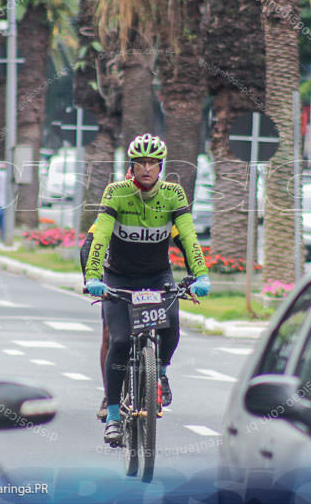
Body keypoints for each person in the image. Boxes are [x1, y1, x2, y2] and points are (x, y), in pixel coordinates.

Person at [84, 133, 210, 444]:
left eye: (153, 163)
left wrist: (201, 275)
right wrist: (93, 277)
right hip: (119, 278)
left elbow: (189, 236)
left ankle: (162, 372)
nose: (146, 169)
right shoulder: (116, 193)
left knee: (172, 326)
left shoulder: (173, 195)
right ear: (131, 165)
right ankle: (113, 415)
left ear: (161, 166)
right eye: (140, 163)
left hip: (157, 276)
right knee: (119, 342)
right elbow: (99, 237)